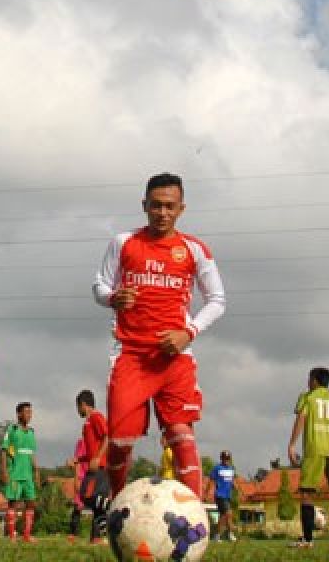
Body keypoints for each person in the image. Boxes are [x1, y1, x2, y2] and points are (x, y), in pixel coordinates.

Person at [93, 172, 226, 502]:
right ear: (144, 206)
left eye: (169, 206)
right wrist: (113, 297)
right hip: (130, 354)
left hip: (173, 358)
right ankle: (118, 507)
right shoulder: (123, 243)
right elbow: (100, 286)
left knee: (182, 435)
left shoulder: (193, 250)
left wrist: (189, 332)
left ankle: (194, 519)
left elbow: (218, 300)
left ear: (181, 208)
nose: (162, 213)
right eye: (156, 206)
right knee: (120, 440)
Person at [288, 367, 329, 549]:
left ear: (315, 381)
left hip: (316, 448)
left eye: (309, 379)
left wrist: (292, 444)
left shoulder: (308, 397)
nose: (307, 382)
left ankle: (308, 539)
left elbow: (301, 417)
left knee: (307, 492)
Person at [75, 389, 110, 545]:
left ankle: (114, 506)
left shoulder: (96, 417)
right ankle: (96, 538)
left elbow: (107, 436)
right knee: (94, 504)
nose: (77, 410)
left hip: (101, 468)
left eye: (78, 407)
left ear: (83, 405)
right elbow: (91, 451)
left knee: (87, 496)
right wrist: (78, 459)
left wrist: (97, 457)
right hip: (93, 467)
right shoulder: (87, 423)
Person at [1, 401, 39, 542]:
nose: (29, 415)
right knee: (13, 504)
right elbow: (4, 451)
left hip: (28, 475)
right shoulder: (12, 430)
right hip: (15, 474)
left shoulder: (31, 432)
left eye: (30, 412)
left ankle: (27, 535)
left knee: (31, 503)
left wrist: (36, 470)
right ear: (19, 414)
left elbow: (32, 453)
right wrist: (4, 470)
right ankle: (12, 535)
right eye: (26, 412)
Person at [206, 450, 241, 542]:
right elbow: (212, 480)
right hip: (219, 495)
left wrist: (238, 490)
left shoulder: (231, 469)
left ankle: (218, 535)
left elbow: (232, 481)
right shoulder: (217, 468)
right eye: (224, 458)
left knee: (223, 516)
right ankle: (230, 533)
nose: (226, 460)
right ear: (221, 458)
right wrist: (208, 492)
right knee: (228, 513)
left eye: (228, 458)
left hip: (228, 495)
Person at [66, 437, 88, 543]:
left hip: (96, 477)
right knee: (78, 506)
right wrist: (77, 478)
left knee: (99, 506)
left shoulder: (101, 442)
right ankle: (73, 533)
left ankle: (98, 535)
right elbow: (77, 461)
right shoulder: (82, 442)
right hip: (82, 477)